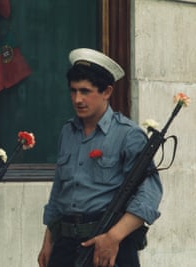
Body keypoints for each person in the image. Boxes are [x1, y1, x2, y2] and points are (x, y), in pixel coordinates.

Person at [37, 48, 163, 267]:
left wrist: (113, 238)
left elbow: (149, 193)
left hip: (108, 245)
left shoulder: (128, 135)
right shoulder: (68, 131)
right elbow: (60, 191)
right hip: (65, 245)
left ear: (107, 92)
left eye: (86, 91)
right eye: (73, 91)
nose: (78, 99)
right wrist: (48, 241)